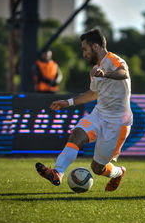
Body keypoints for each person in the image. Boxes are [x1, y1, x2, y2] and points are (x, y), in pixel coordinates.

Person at [35, 29, 133, 192]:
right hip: (99, 114)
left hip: (118, 123)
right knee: (77, 134)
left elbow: (124, 73)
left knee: (97, 168)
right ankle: (57, 173)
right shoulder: (94, 70)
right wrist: (68, 102)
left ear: (95, 46)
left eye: (85, 49)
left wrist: (106, 74)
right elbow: (93, 94)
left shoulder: (114, 60)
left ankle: (118, 172)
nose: (84, 53)